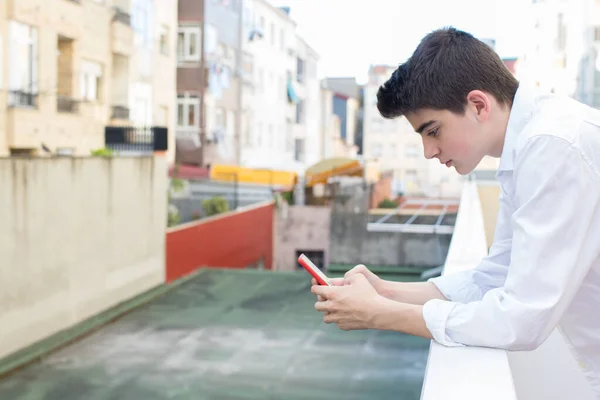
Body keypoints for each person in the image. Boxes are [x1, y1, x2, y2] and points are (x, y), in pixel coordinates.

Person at [311, 26, 600, 394]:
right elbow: (493, 278)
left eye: (433, 131)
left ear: (478, 105)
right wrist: (385, 292)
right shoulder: (528, 147)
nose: (429, 151)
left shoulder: (553, 146)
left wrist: (381, 314)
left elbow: (522, 318)